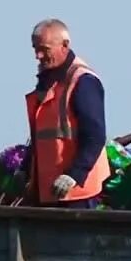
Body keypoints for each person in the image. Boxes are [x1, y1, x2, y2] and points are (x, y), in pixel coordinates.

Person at [20, 18, 110, 209]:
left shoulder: (83, 81)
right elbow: (43, 138)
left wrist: (74, 175)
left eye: (44, 49)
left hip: (76, 193)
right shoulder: (49, 83)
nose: (38, 55)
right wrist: (25, 169)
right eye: (35, 49)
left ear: (65, 45)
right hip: (48, 191)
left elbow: (95, 136)